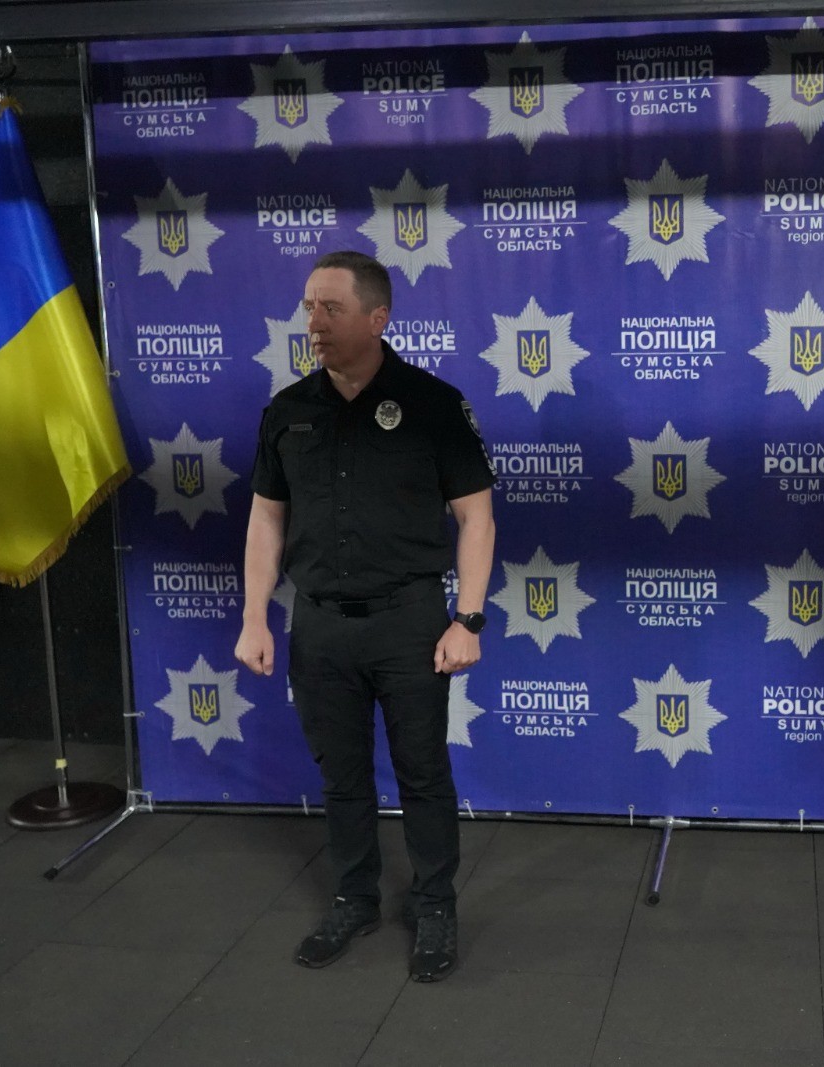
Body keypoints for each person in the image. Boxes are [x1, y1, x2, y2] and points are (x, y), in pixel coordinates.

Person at [235, 250, 496, 982]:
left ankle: (435, 904)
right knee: (342, 775)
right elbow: (265, 520)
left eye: (331, 309)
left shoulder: (434, 404)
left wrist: (468, 620)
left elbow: (476, 518)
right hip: (319, 626)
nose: (313, 323)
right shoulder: (288, 411)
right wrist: (254, 616)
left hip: (409, 622)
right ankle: (354, 898)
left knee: (422, 772)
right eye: (309, 308)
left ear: (377, 318)